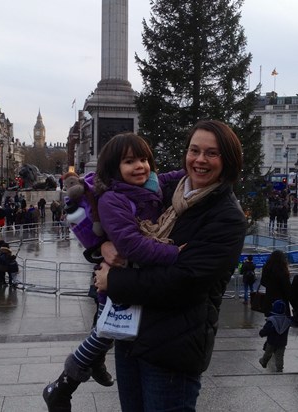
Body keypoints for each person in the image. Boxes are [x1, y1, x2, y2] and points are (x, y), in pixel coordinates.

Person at [94, 119, 247, 411]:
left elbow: (184, 283)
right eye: (194, 150)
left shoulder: (226, 217)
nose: (200, 160)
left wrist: (112, 281)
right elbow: (119, 221)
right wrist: (102, 246)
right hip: (131, 336)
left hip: (172, 349)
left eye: (212, 153)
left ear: (228, 160)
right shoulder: (164, 192)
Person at [43, 132, 185, 412]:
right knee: (107, 330)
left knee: (107, 329)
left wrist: (194, 165)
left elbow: (171, 177)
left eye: (144, 159)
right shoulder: (113, 199)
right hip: (120, 275)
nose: (140, 166)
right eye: (130, 161)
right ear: (113, 168)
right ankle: (62, 385)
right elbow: (131, 246)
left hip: (127, 275)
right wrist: (175, 253)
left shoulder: (151, 184)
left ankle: (76, 375)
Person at [259, 299, 292, 372]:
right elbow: (292, 321)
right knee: (280, 356)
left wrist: (262, 333)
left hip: (271, 341)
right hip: (282, 342)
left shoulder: (272, 320)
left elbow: (267, 330)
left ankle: (263, 362)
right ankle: (279, 368)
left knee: (268, 353)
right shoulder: (287, 320)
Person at [260, 250, 292, 317]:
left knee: (271, 322)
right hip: (281, 303)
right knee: (282, 324)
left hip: (269, 301)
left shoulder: (266, 268)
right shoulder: (282, 270)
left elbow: (262, 282)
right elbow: (287, 289)